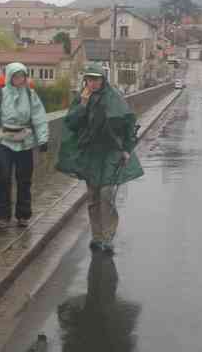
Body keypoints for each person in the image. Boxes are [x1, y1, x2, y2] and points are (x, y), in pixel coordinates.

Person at [56, 62, 143, 253]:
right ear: (85, 80)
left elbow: (129, 123)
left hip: (111, 152)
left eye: (96, 79)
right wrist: (83, 105)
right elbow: (71, 123)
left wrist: (127, 149)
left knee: (106, 194)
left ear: (103, 80)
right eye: (89, 79)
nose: (93, 83)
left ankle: (108, 236)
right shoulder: (82, 99)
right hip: (91, 153)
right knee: (93, 197)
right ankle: (97, 236)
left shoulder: (115, 98)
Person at [0, 62, 49, 230]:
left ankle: (23, 215)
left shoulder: (30, 94)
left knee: (24, 180)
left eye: (22, 76)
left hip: (25, 142)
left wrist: (43, 139)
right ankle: (1, 217)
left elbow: (39, 117)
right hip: (4, 142)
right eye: (16, 76)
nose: (19, 79)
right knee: (3, 178)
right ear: (10, 77)